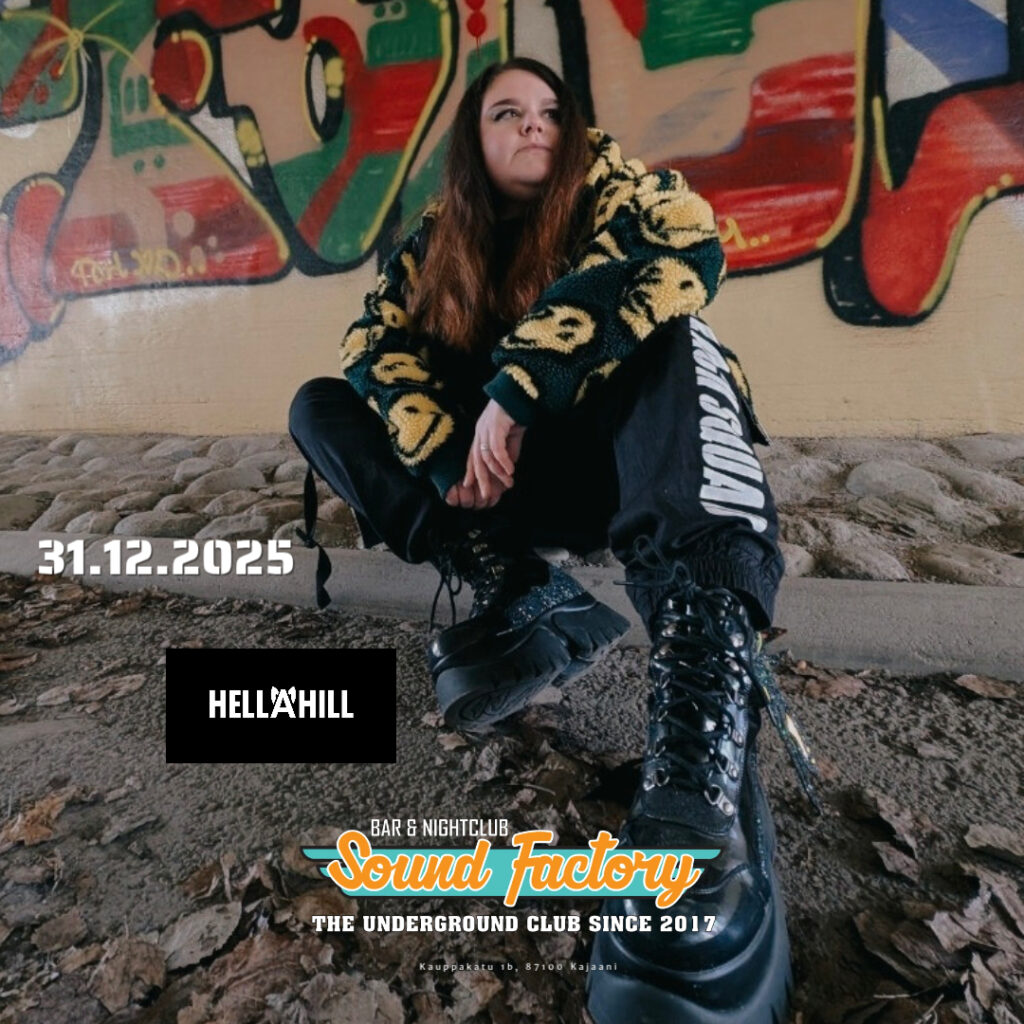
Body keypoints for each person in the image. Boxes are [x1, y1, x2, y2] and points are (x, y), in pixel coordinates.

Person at [290, 56, 810, 1024]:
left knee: (675, 334)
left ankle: (703, 711)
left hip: (625, 470)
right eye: (507, 112)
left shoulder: (627, 191)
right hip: (495, 488)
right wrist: (443, 454)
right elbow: (374, 345)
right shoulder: (435, 242)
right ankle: (513, 580)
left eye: (550, 112)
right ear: (472, 141)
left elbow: (680, 254)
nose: (534, 125)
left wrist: (519, 388)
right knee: (320, 403)